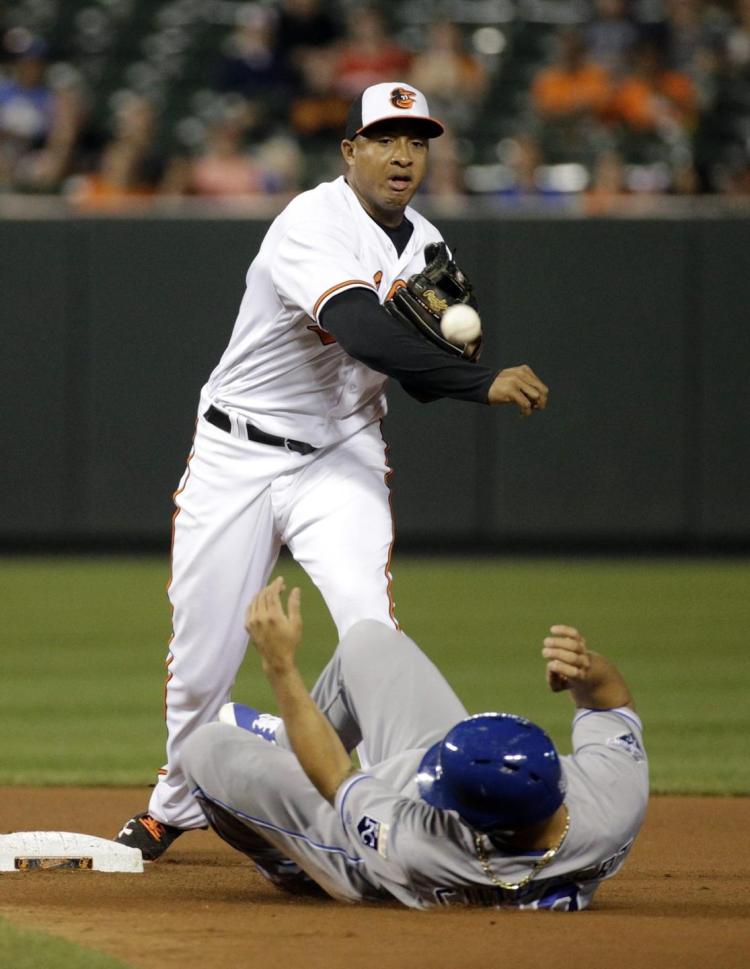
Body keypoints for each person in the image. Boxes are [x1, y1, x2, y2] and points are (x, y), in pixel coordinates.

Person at [114, 81, 549, 860]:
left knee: (371, 634)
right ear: (350, 150)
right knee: (201, 659)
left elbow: (410, 375)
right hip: (236, 452)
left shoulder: (429, 247)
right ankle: (174, 801)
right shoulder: (310, 223)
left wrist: (452, 358)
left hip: (341, 452)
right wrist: (478, 379)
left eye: (417, 141)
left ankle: (404, 804)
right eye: (385, 138)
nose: (403, 155)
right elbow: (360, 331)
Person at [182, 577, 649, 910]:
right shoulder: (610, 798)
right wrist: (585, 672)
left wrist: (280, 667)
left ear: (472, 822)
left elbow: (334, 777)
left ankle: (290, 861)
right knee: (368, 641)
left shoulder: (417, 842)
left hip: (366, 858)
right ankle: (288, 741)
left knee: (206, 747)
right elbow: (610, 707)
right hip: (470, 808)